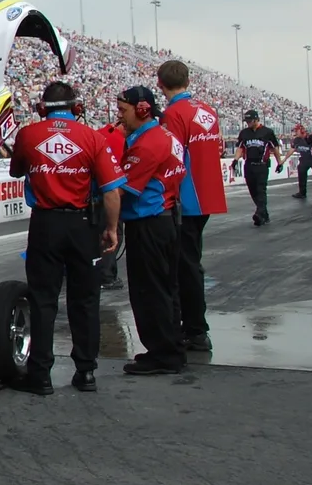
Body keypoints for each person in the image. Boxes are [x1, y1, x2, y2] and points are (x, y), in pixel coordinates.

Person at [6, 82, 124, 394]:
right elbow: (112, 192)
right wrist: (110, 229)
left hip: (45, 223)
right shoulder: (92, 137)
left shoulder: (28, 134)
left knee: (43, 299)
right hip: (82, 224)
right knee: (85, 299)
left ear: (41, 108)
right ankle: (86, 372)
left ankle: (41, 376)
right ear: (77, 108)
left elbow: (17, 171)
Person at [156, 60, 227, 353]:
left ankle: (196, 329)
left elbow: (171, 157)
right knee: (190, 262)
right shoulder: (207, 110)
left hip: (187, 198)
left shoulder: (173, 114)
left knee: (185, 267)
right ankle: (192, 325)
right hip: (208, 194)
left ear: (160, 84)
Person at [115, 86, 186, 376]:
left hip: (148, 222)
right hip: (166, 218)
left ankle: (164, 354)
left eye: (123, 111)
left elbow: (121, 189)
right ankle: (169, 347)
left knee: (149, 291)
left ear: (142, 110)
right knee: (166, 289)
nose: (120, 118)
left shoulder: (146, 144)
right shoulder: (167, 136)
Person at [234, 110, 283, 226]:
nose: (248, 123)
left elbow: (275, 148)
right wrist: (235, 160)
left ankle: (259, 213)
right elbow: (240, 148)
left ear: (256, 120)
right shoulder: (244, 133)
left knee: (261, 190)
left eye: (250, 121)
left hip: (262, 165)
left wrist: (279, 162)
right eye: (246, 121)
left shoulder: (267, 132)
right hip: (249, 165)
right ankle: (264, 214)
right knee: (253, 190)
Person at [96, 120, 127, 290]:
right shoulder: (121, 141)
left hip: (91, 193)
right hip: (108, 193)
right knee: (113, 233)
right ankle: (106, 276)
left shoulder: (99, 133)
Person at [290, 124, 312, 200]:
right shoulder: (296, 140)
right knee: (301, 172)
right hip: (304, 160)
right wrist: (283, 160)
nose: (295, 132)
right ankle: (302, 192)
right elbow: (291, 149)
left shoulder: (311, 138)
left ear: (301, 131)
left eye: (296, 131)